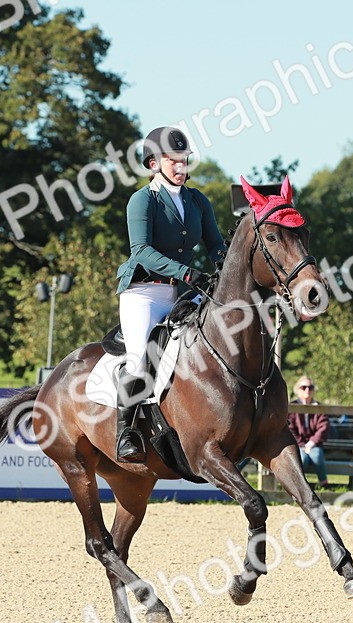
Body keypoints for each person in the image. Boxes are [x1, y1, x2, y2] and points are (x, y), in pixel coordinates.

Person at [112, 126, 228, 463]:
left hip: (183, 294)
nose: (181, 167)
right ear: (153, 164)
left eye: (184, 160)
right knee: (140, 358)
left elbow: (216, 246)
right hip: (145, 293)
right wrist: (188, 272)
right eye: (173, 161)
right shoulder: (142, 200)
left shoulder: (197, 200)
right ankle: (126, 432)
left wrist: (228, 273)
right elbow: (142, 251)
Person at [288, 376, 330, 490]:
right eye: (304, 387)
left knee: (316, 456)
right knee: (303, 459)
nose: (307, 390)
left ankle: (324, 484)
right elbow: (290, 428)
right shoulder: (292, 407)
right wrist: (302, 444)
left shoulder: (319, 407)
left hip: (314, 444)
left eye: (310, 387)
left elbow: (323, 427)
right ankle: (300, 487)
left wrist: (311, 443)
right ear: (297, 390)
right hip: (298, 444)